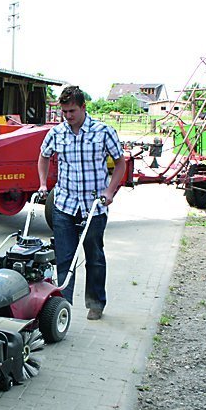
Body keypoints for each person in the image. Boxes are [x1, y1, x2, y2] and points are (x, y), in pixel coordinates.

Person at [37, 86, 127, 320]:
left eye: (72, 111)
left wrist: (110, 191)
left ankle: (96, 303)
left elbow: (120, 163)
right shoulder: (56, 133)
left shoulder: (103, 132)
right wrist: (43, 184)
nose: (68, 116)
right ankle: (62, 308)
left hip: (94, 206)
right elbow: (43, 156)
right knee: (64, 258)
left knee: (94, 256)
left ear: (83, 107)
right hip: (64, 205)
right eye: (64, 112)